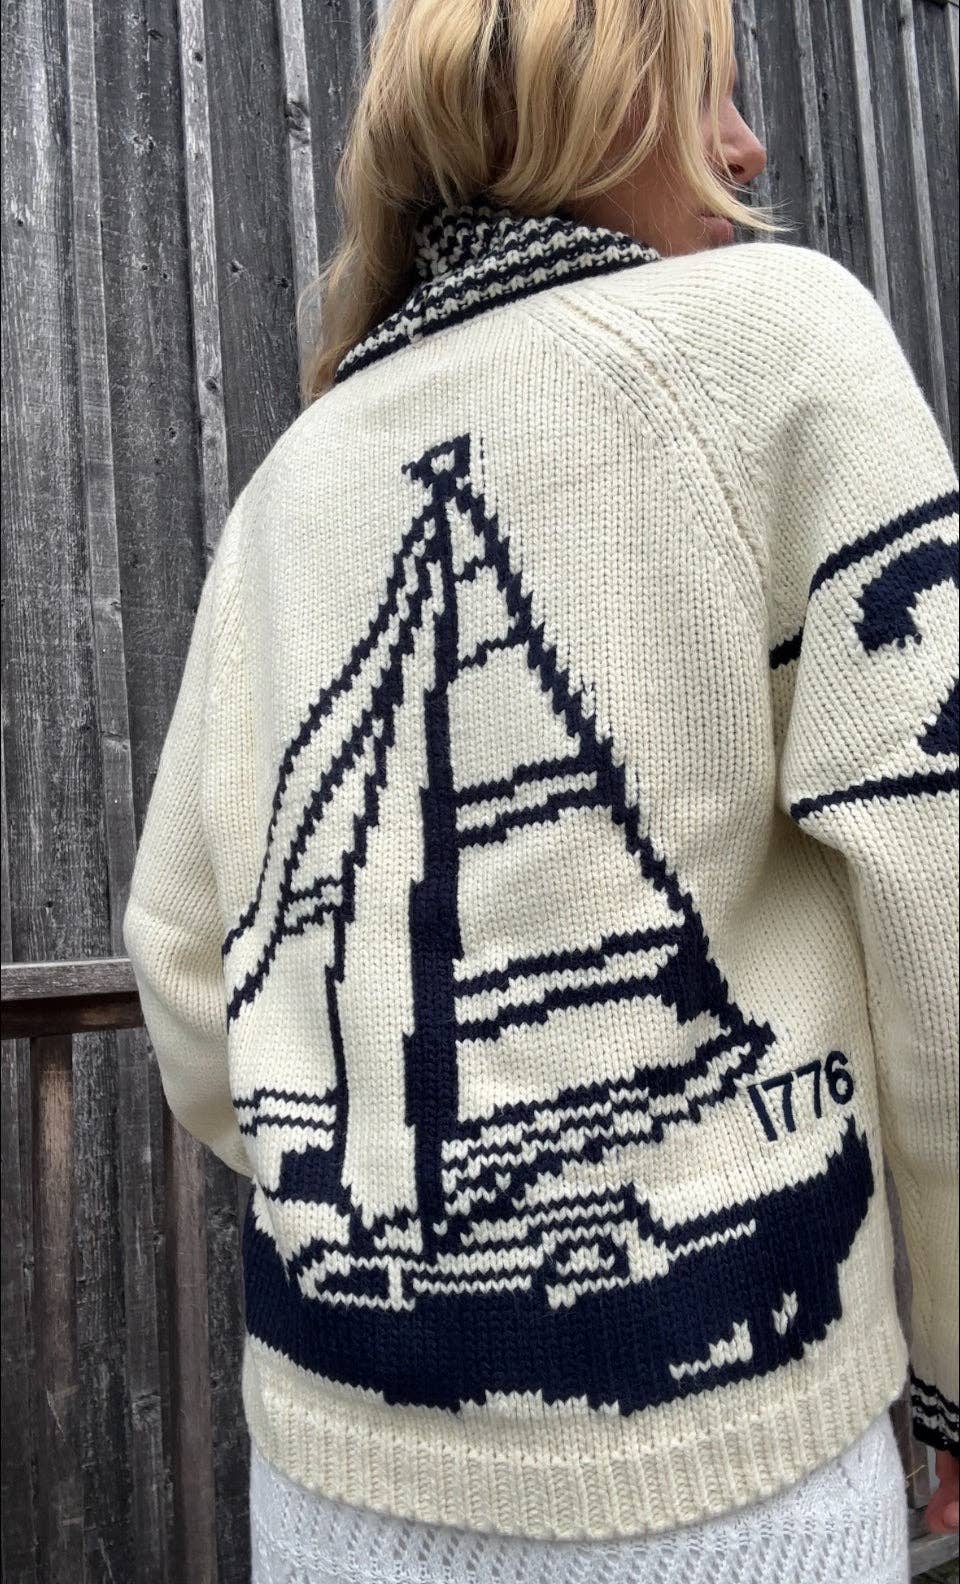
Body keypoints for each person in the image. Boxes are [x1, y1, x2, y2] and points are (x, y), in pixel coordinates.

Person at [122, 0, 959, 1578]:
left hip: (332, 1483)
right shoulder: (780, 336)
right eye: (711, 95)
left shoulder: (291, 482)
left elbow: (184, 965)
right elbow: (942, 882)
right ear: (599, 99)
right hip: (721, 1489)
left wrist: (380, 1196)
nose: (748, 150)